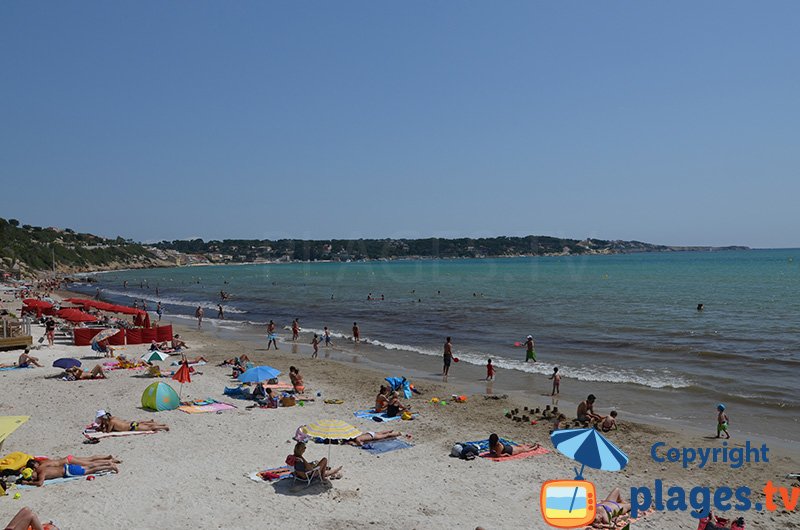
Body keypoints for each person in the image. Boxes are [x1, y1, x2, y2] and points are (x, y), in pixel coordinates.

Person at [19, 459, 119, 487]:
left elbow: (40, 483)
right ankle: (108, 463)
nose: (32, 479)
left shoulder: (41, 474)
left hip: (69, 471)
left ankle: (109, 466)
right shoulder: (41, 468)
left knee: (91, 470)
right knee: (90, 463)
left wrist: (28, 483)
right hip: (67, 465)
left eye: (31, 477)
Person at [96, 410, 169, 432]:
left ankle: (164, 427)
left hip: (131, 427)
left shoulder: (111, 422)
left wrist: (102, 427)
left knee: (149, 428)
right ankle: (162, 425)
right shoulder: (113, 418)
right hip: (131, 424)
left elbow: (108, 431)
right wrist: (103, 423)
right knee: (147, 426)